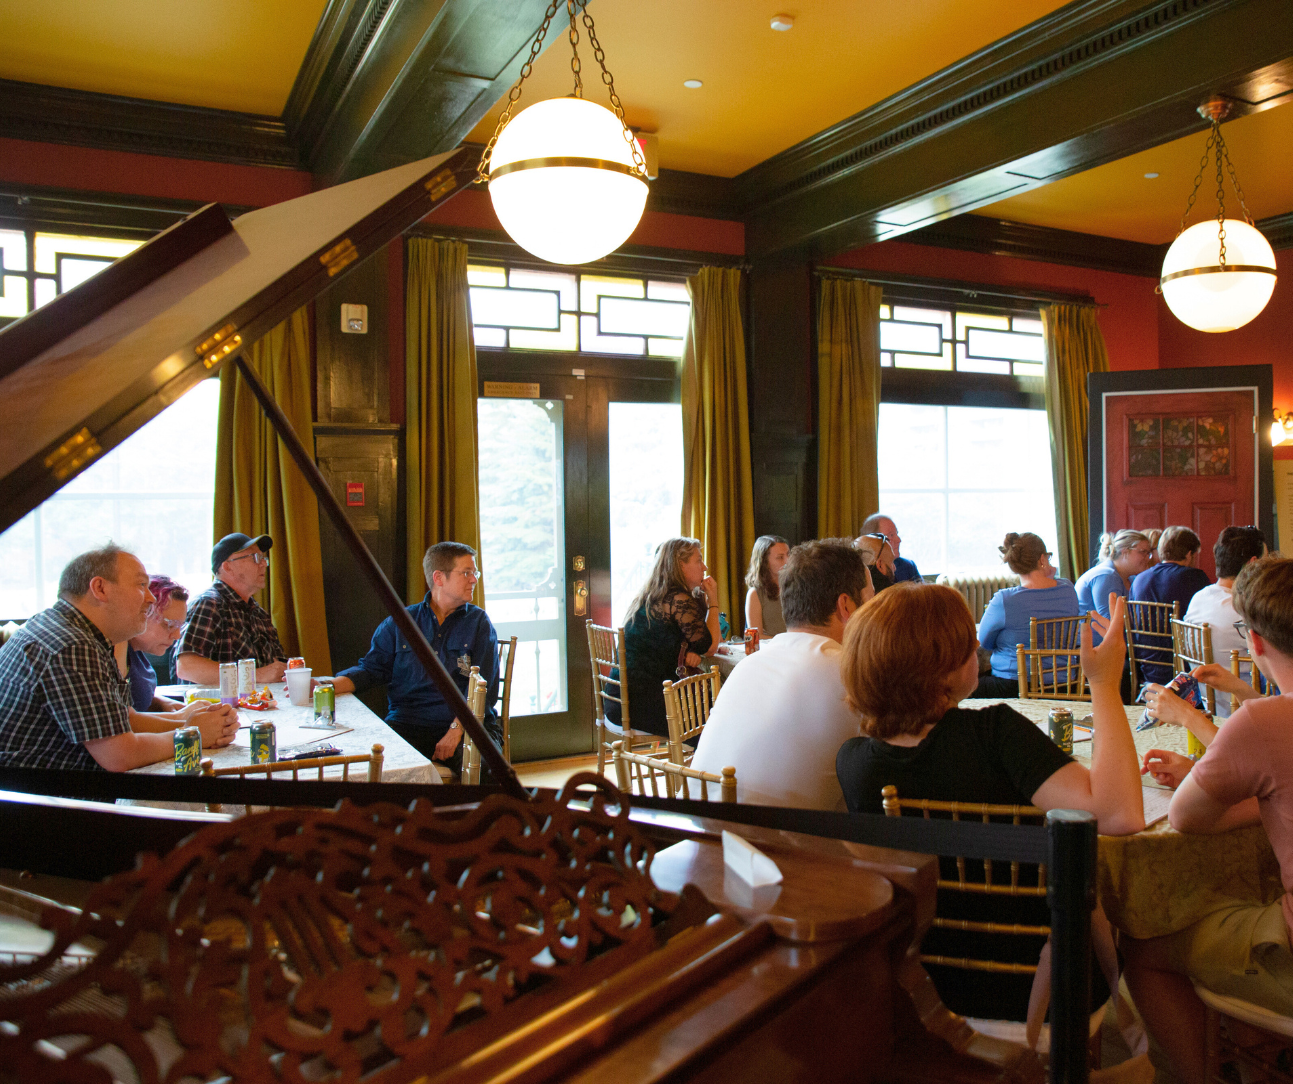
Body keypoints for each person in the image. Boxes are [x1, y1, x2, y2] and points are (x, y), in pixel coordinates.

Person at [836, 583, 1142, 1018]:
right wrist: (1104, 683)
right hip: (1041, 985)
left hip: (918, 985)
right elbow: (1120, 815)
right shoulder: (995, 734)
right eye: (965, 642)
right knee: (1142, 930)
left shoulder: (853, 763)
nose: (978, 645)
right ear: (937, 668)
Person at [1128, 556, 1293, 1084]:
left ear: (1258, 643)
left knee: (1143, 943)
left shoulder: (1262, 725)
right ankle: (1256, 1058)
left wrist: (1194, 724)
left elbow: (1186, 819)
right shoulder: (1265, 717)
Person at [0, 545, 236, 771]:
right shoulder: (72, 645)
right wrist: (194, 732)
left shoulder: (68, 629)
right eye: (141, 585)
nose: (151, 598)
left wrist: (189, 722)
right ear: (100, 588)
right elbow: (120, 756)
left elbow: (122, 717)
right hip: (47, 801)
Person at [692, 539, 872, 809]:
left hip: (699, 835)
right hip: (781, 846)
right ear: (846, 606)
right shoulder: (853, 676)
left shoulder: (746, 667)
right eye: (871, 599)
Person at [323, 542, 499, 769]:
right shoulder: (402, 621)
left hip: (465, 726)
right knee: (368, 766)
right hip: (407, 725)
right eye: (466, 573)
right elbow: (370, 670)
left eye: (474, 573)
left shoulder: (479, 623)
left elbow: (485, 690)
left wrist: (456, 730)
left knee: (485, 767)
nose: (474, 580)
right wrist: (325, 686)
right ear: (438, 578)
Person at [607, 537, 720, 738]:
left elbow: (668, 641)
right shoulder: (677, 599)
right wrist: (714, 600)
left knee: (712, 702)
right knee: (720, 708)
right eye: (698, 560)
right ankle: (705, 766)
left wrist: (688, 650)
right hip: (642, 705)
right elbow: (710, 646)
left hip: (619, 701)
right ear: (680, 565)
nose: (705, 566)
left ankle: (700, 764)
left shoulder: (655, 594)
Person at [972, 532, 1079, 698]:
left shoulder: (1004, 599)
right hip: (1062, 684)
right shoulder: (1068, 589)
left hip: (1013, 685)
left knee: (963, 689)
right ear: (1042, 559)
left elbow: (985, 642)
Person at [175, 533, 288, 685]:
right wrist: (255, 675)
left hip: (261, 703)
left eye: (263, 559)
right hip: (218, 706)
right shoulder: (209, 604)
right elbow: (187, 668)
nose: (263, 564)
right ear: (227, 566)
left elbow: (277, 666)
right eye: (255, 558)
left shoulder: (259, 613)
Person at [1182, 525, 1267, 716]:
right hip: (1248, 706)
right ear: (1252, 564)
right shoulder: (1244, 610)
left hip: (1210, 705)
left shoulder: (1198, 598)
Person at [1128, 525, 1211, 685]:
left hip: (1146, 667)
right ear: (1189, 554)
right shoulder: (1194, 577)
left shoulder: (1139, 579)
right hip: (1184, 670)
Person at [114, 575, 189, 712]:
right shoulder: (118, 647)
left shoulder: (137, 651)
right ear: (143, 613)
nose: (177, 635)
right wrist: (185, 718)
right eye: (170, 624)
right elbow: (123, 717)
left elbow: (135, 699)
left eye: (180, 626)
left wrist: (165, 703)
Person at [1074, 529, 1153, 623]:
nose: (1148, 558)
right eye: (1143, 552)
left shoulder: (1130, 578)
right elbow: (1112, 622)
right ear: (1124, 551)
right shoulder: (1107, 576)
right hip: (1095, 637)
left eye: (1149, 553)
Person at [744, 534, 789, 637]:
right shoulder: (755, 594)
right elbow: (756, 637)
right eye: (780, 557)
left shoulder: (795, 587)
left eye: (788, 554)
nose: (787, 561)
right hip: (772, 650)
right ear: (764, 562)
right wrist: (787, 643)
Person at [861, 513, 921, 582]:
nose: (899, 540)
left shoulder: (907, 566)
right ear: (872, 541)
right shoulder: (863, 572)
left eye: (897, 533)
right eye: (891, 535)